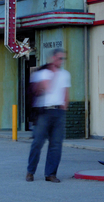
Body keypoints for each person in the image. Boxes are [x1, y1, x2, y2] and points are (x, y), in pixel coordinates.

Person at [26, 48, 71, 183]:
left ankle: (50, 174)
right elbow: (42, 89)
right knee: (38, 143)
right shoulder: (41, 73)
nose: (61, 61)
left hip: (58, 112)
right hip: (43, 112)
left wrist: (65, 105)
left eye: (63, 59)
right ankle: (30, 171)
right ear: (52, 58)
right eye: (59, 58)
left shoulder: (65, 74)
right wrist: (51, 75)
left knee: (56, 144)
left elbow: (65, 92)